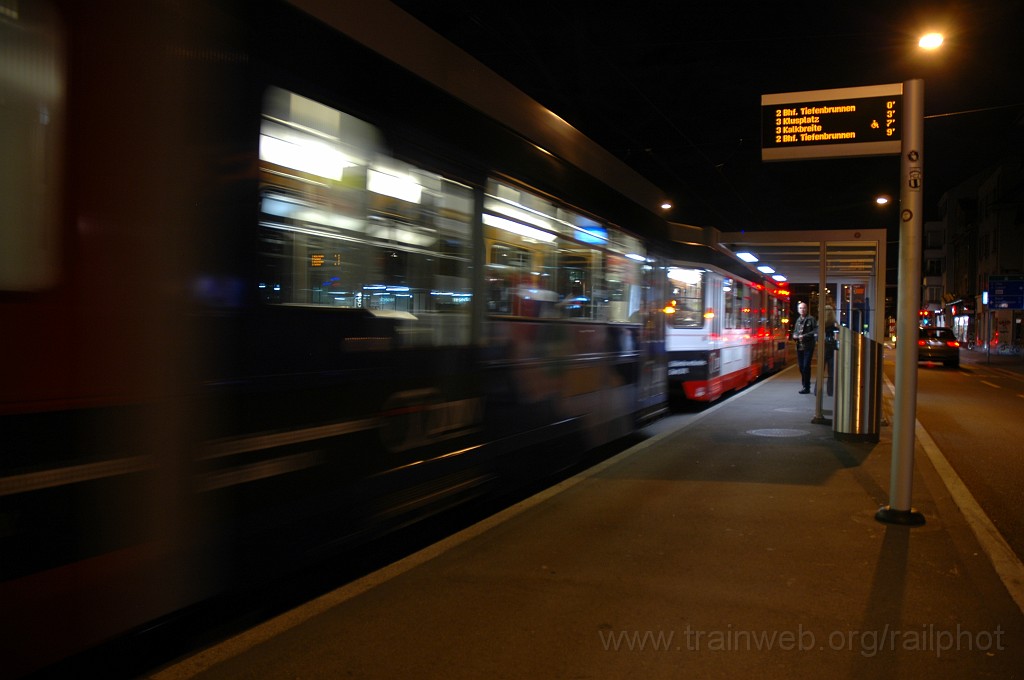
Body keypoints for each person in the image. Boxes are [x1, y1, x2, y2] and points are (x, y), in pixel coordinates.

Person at [792, 301, 817, 394]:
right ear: (798, 310)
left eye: (804, 308)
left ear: (807, 309)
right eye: (800, 308)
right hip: (799, 347)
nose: (802, 310)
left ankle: (806, 387)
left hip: (808, 347)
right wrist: (794, 336)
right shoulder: (798, 320)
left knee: (806, 366)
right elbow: (795, 331)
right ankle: (804, 385)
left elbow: (816, 331)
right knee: (801, 367)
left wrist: (805, 336)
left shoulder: (811, 319)